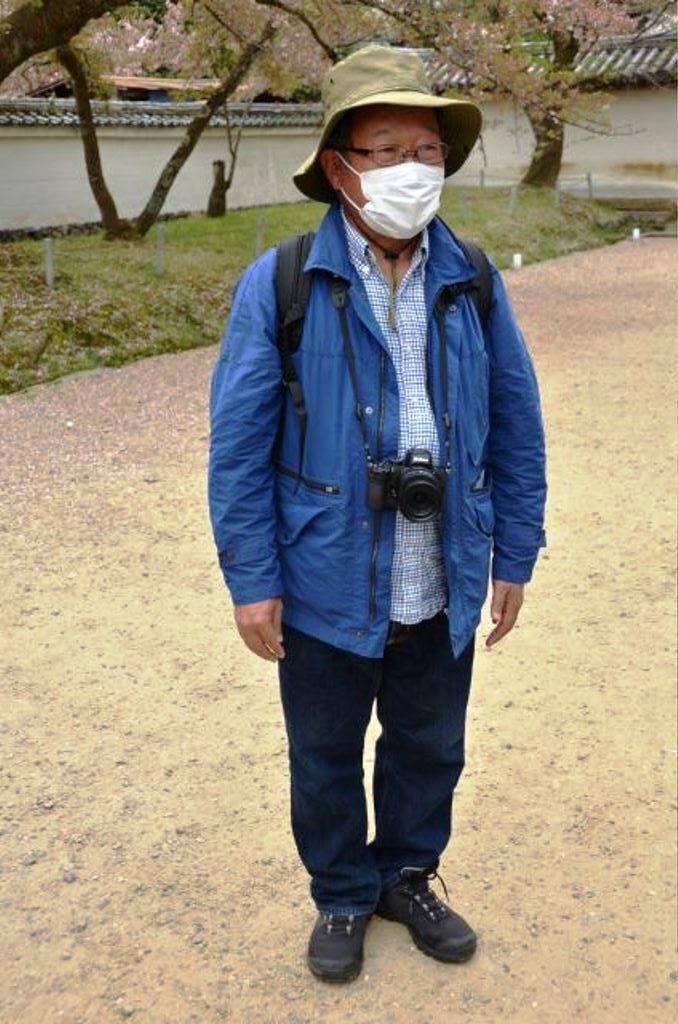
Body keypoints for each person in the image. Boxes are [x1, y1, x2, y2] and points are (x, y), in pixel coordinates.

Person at [208, 45, 546, 983]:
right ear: (337, 167)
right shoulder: (283, 283)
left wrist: (515, 553)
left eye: (429, 151)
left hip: (443, 570)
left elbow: (518, 423)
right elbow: (237, 451)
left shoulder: (472, 278)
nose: (413, 169)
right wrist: (252, 581)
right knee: (323, 754)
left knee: (430, 745)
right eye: (388, 150)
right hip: (324, 577)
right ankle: (342, 892)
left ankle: (407, 876)